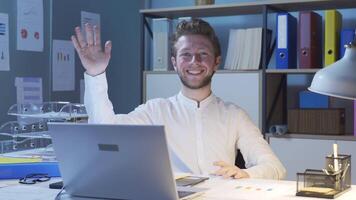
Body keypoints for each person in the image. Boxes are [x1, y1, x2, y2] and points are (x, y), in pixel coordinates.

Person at [71, 19, 286, 179]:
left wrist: (245, 174)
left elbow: (275, 167)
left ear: (216, 62)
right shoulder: (155, 110)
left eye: (203, 54)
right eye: (186, 55)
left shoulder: (234, 115)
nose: (194, 62)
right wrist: (96, 74)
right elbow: (105, 133)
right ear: (174, 62)